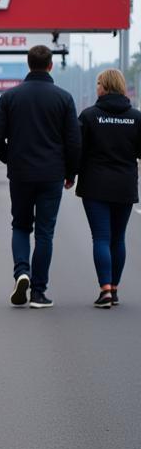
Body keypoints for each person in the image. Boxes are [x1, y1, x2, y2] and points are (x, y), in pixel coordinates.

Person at [0, 45, 80, 308]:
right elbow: (74, 142)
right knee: (45, 233)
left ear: (29, 65)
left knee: (20, 225)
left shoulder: (10, 97)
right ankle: (39, 292)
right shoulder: (64, 98)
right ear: (50, 65)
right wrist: (71, 172)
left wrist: (10, 158)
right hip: (52, 174)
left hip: (21, 173)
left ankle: (21, 273)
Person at [75, 68, 141, 307]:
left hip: (95, 185)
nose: (97, 87)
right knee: (118, 237)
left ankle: (104, 290)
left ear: (103, 86)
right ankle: (114, 288)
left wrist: (70, 174)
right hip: (124, 184)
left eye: (98, 83)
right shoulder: (136, 117)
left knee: (101, 237)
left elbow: (77, 150)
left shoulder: (89, 116)